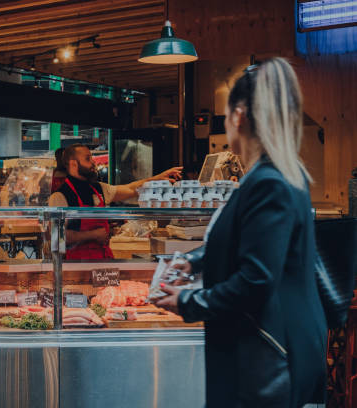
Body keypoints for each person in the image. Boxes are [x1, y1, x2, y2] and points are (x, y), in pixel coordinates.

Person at [156, 58, 327, 407]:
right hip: (272, 349)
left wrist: (188, 301)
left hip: (267, 358)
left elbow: (256, 279)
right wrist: (193, 262)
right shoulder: (271, 175)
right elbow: (252, 244)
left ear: (239, 116)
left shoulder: (269, 182)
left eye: (224, 116)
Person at [48, 143, 182, 259]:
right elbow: (56, 237)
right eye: (88, 159)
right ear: (73, 164)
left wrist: (157, 179)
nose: (93, 162)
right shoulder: (59, 196)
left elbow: (131, 189)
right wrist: (92, 235)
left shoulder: (100, 188)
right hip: (77, 265)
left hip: (104, 260)